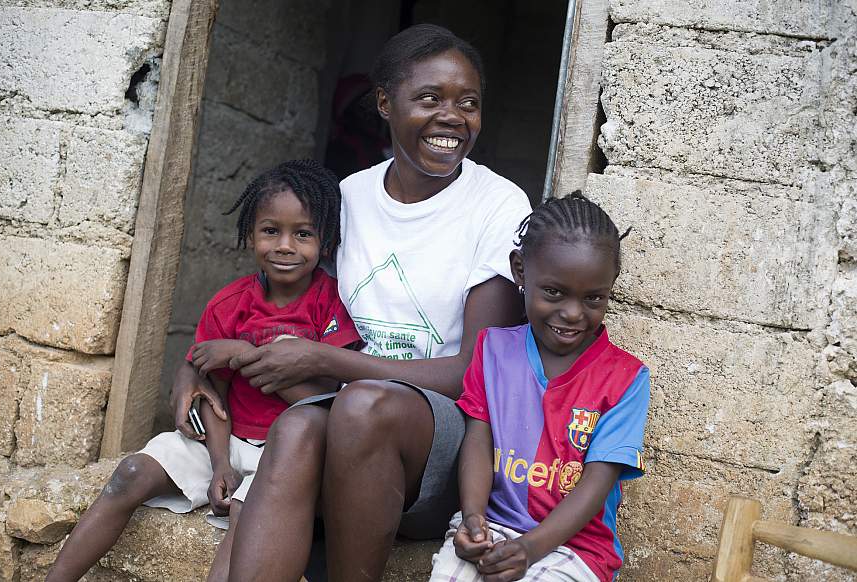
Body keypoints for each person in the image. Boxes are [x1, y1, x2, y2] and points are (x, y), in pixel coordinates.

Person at [168, 24, 532, 582]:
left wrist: (327, 361)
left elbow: (476, 373)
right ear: (385, 102)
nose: (452, 117)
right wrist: (193, 367)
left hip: (443, 443)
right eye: (430, 98)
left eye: (469, 103)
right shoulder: (347, 198)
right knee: (295, 429)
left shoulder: (497, 205)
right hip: (336, 417)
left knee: (362, 406)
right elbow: (272, 302)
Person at [46, 160, 361, 582]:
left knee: (246, 522)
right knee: (129, 475)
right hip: (226, 440)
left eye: (303, 234)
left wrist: (248, 353)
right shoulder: (229, 305)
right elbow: (209, 393)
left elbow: (324, 401)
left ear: (326, 242)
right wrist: (219, 465)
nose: (285, 245)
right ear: (250, 235)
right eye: (271, 231)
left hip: (288, 456)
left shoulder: (332, 304)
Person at [428, 194, 650, 582]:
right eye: (554, 292)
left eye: (593, 298)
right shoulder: (492, 349)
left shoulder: (625, 379)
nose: (573, 313)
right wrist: (473, 518)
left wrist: (530, 549)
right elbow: (478, 443)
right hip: (494, 525)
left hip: (577, 547)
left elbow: (597, 483)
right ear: (520, 271)